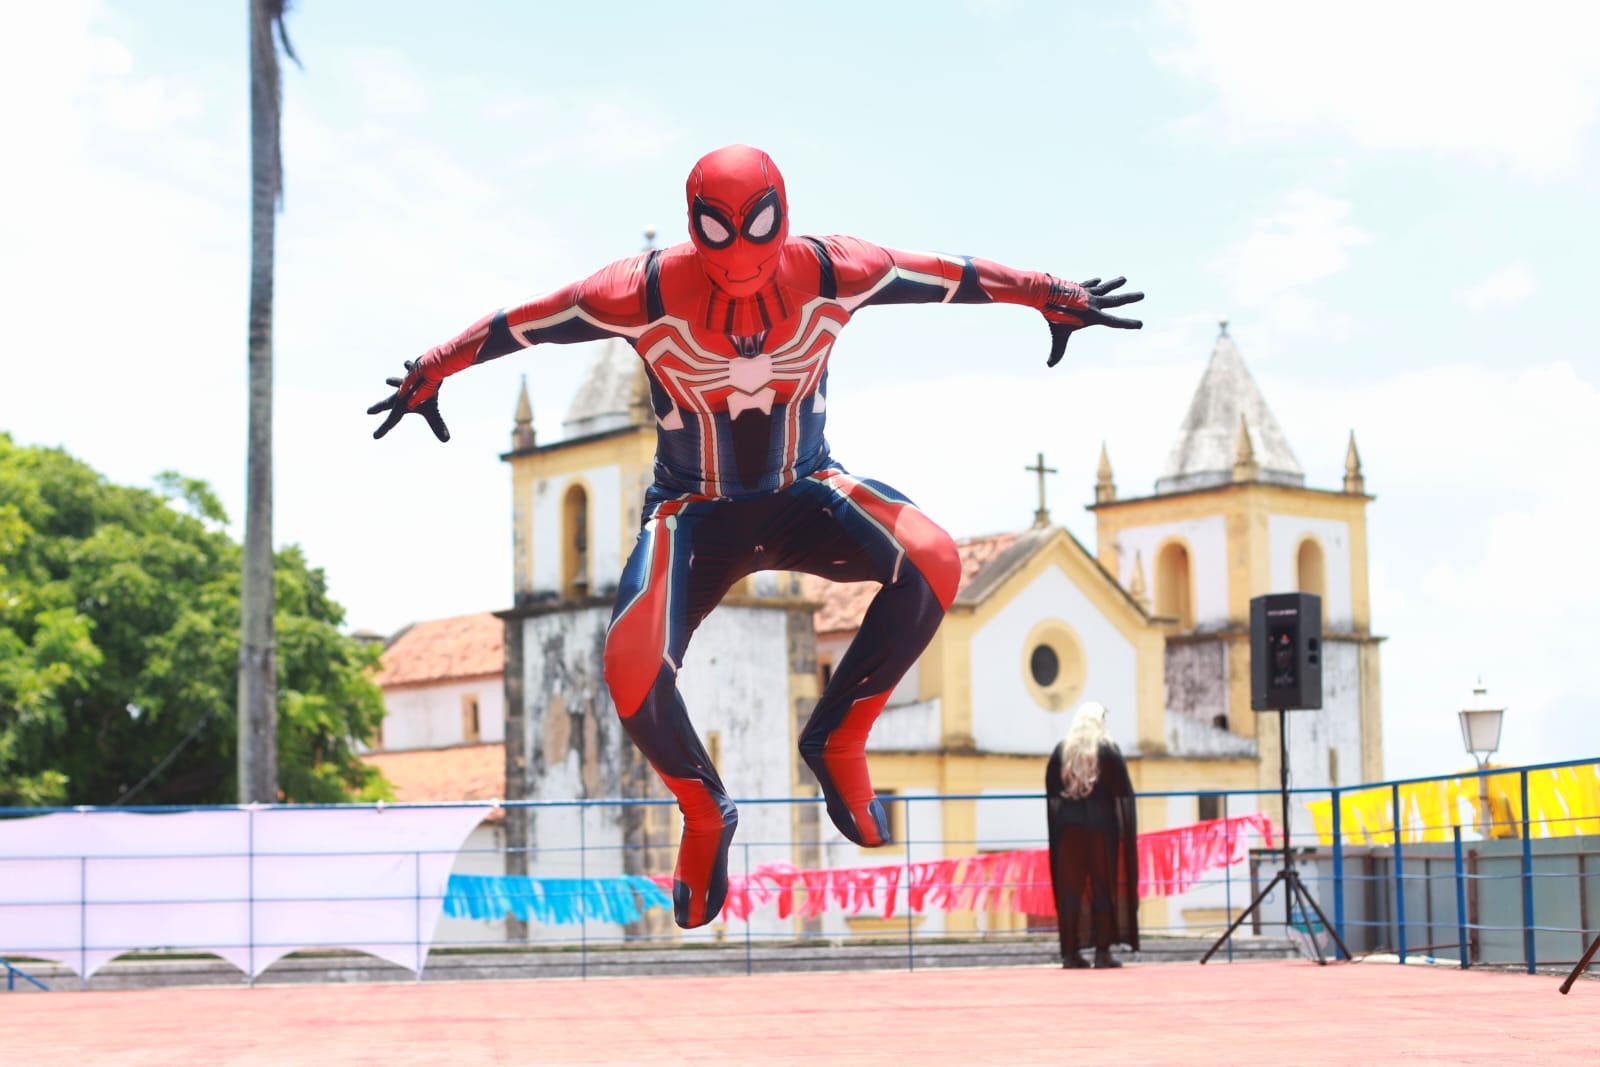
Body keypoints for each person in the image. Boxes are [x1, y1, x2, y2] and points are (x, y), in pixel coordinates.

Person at [369, 144, 1143, 929]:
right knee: (629, 665)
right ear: (693, 227)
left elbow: (949, 275)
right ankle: (704, 810)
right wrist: (433, 365)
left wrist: (1046, 291)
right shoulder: (644, 290)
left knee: (935, 558)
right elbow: (529, 321)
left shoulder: (833, 270)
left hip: (805, 492)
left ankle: (839, 735)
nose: (739, 257)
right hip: (693, 513)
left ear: (783, 217)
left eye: (756, 230)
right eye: (718, 233)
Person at [1045, 701, 1139, 968]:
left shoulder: (1062, 750)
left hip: (1068, 830)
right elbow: (1123, 790)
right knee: (1102, 887)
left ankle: (1070, 953)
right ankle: (1102, 951)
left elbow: (1052, 789)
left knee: (1070, 890)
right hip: (1101, 829)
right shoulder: (1107, 750)